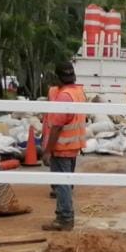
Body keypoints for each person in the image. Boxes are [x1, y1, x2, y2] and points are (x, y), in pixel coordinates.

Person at [41, 62, 87, 231]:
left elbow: (57, 127)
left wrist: (47, 151)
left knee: (62, 184)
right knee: (65, 182)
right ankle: (63, 215)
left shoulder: (64, 96)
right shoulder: (78, 92)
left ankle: (65, 218)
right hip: (73, 145)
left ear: (57, 78)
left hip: (62, 147)